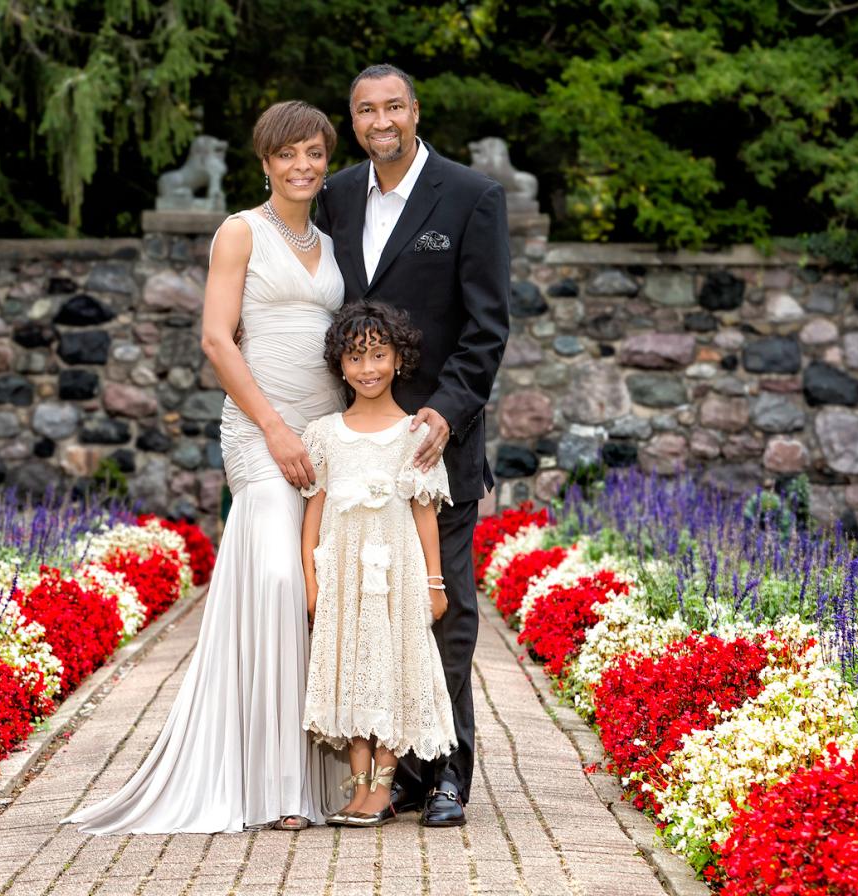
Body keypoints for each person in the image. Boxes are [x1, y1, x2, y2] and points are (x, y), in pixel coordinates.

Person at [63, 100, 345, 834]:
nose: (303, 165)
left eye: (314, 152)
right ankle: (271, 784)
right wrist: (276, 430)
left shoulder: (334, 239)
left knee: (316, 590)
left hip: (325, 434)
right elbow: (219, 343)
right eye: (288, 154)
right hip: (261, 433)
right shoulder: (239, 232)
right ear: (264, 162)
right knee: (278, 580)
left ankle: (315, 773)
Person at [315, 64, 511, 827]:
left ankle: (450, 772)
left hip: (437, 447)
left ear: (416, 111)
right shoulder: (333, 196)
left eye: (393, 105)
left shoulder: (471, 197)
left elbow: (486, 326)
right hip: (360, 454)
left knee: (446, 611)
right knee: (372, 618)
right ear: (354, 119)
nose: (381, 120)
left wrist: (444, 413)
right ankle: (397, 770)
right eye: (366, 109)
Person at [300, 302, 456, 828]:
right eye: (355, 357)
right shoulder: (323, 434)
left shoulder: (415, 433)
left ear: (398, 359)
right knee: (351, 674)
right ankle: (358, 788)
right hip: (343, 577)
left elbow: (425, 514)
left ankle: (382, 791)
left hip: (396, 576)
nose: (368, 368)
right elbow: (313, 513)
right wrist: (310, 578)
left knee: (390, 672)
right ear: (340, 366)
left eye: (378, 355)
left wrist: (435, 584)